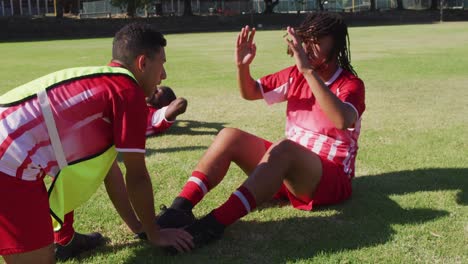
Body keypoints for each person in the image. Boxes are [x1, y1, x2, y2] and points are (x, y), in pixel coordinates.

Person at [157, 12, 366, 249]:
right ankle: (179, 209)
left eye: (317, 40)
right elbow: (251, 92)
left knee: (284, 148)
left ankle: (213, 224)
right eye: (306, 39)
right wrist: (242, 66)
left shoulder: (350, 84)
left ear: (336, 45)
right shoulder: (295, 75)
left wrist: (307, 71)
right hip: (288, 173)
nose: (308, 46)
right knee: (230, 136)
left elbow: (341, 119)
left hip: (329, 180)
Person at [0, 22, 193, 264]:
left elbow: (109, 171)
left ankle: (66, 238)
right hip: (7, 164)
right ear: (142, 63)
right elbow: (137, 177)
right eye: (162, 64)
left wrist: (139, 228)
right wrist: (155, 234)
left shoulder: (102, 81)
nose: (164, 75)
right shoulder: (128, 92)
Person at [54, 85, 188, 260]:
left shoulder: (156, 116)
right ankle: (63, 238)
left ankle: (64, 238)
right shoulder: (132, 105)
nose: (154, 88)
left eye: (157, 92)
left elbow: (180, 104)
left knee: (83, 164)